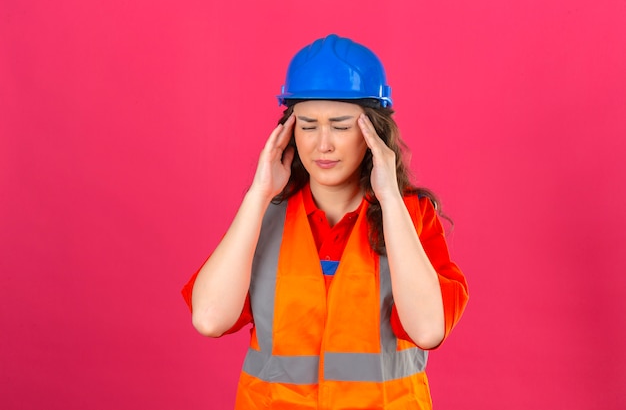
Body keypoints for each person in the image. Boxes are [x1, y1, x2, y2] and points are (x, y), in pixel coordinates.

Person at [182, 33, 469, 410]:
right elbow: (208, 319)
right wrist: (258, 193)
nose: (323, 144)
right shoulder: (264, 216)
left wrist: (390, 198)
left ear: (373, 132)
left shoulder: (410, 216)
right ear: (288, 131)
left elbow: (428, 329)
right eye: (307, 125)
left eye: (340, 125)